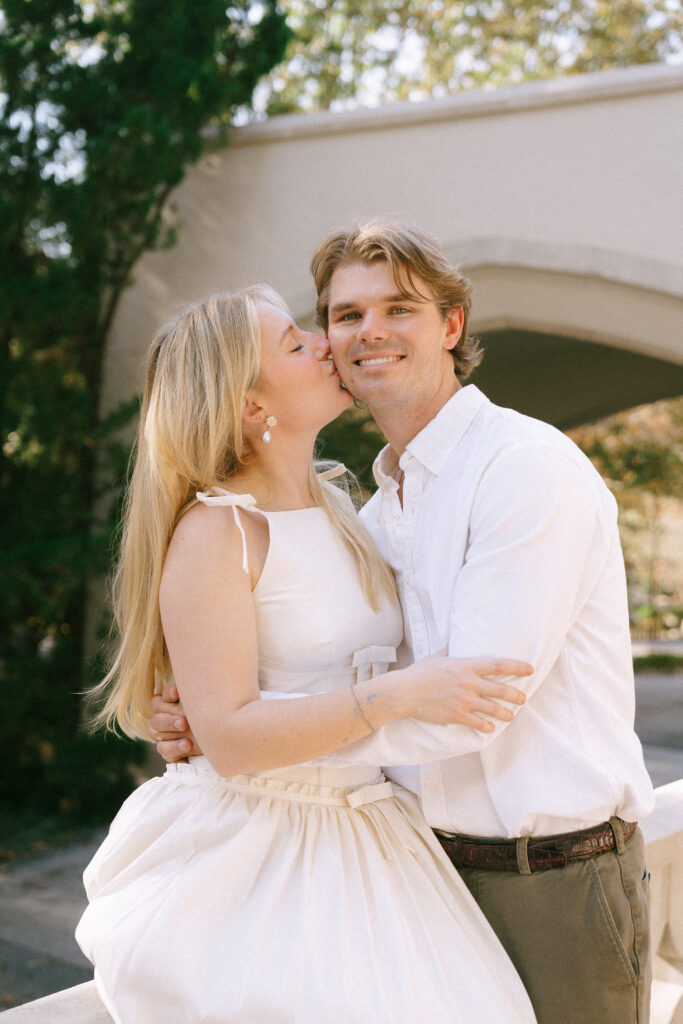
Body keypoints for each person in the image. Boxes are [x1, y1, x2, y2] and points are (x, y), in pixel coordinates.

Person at [153, 222, 656, 1024]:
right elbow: (356, 668)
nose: (366, 332)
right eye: (344, 316)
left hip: (553, 881)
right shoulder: (371, 512)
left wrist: (246, 740)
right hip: (416, 876)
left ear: (450, 326)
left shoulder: (521, 466)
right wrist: (220, 716)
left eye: (399, 309)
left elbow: (472, 707)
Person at [76, 285, 537, 1023]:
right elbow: (227, 741)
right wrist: (401, 695)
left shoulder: (341, 509)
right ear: (250, 404)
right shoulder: (216, 533)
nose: (325, 341)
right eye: (294, 343)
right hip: (261, 853)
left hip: (369, 834)